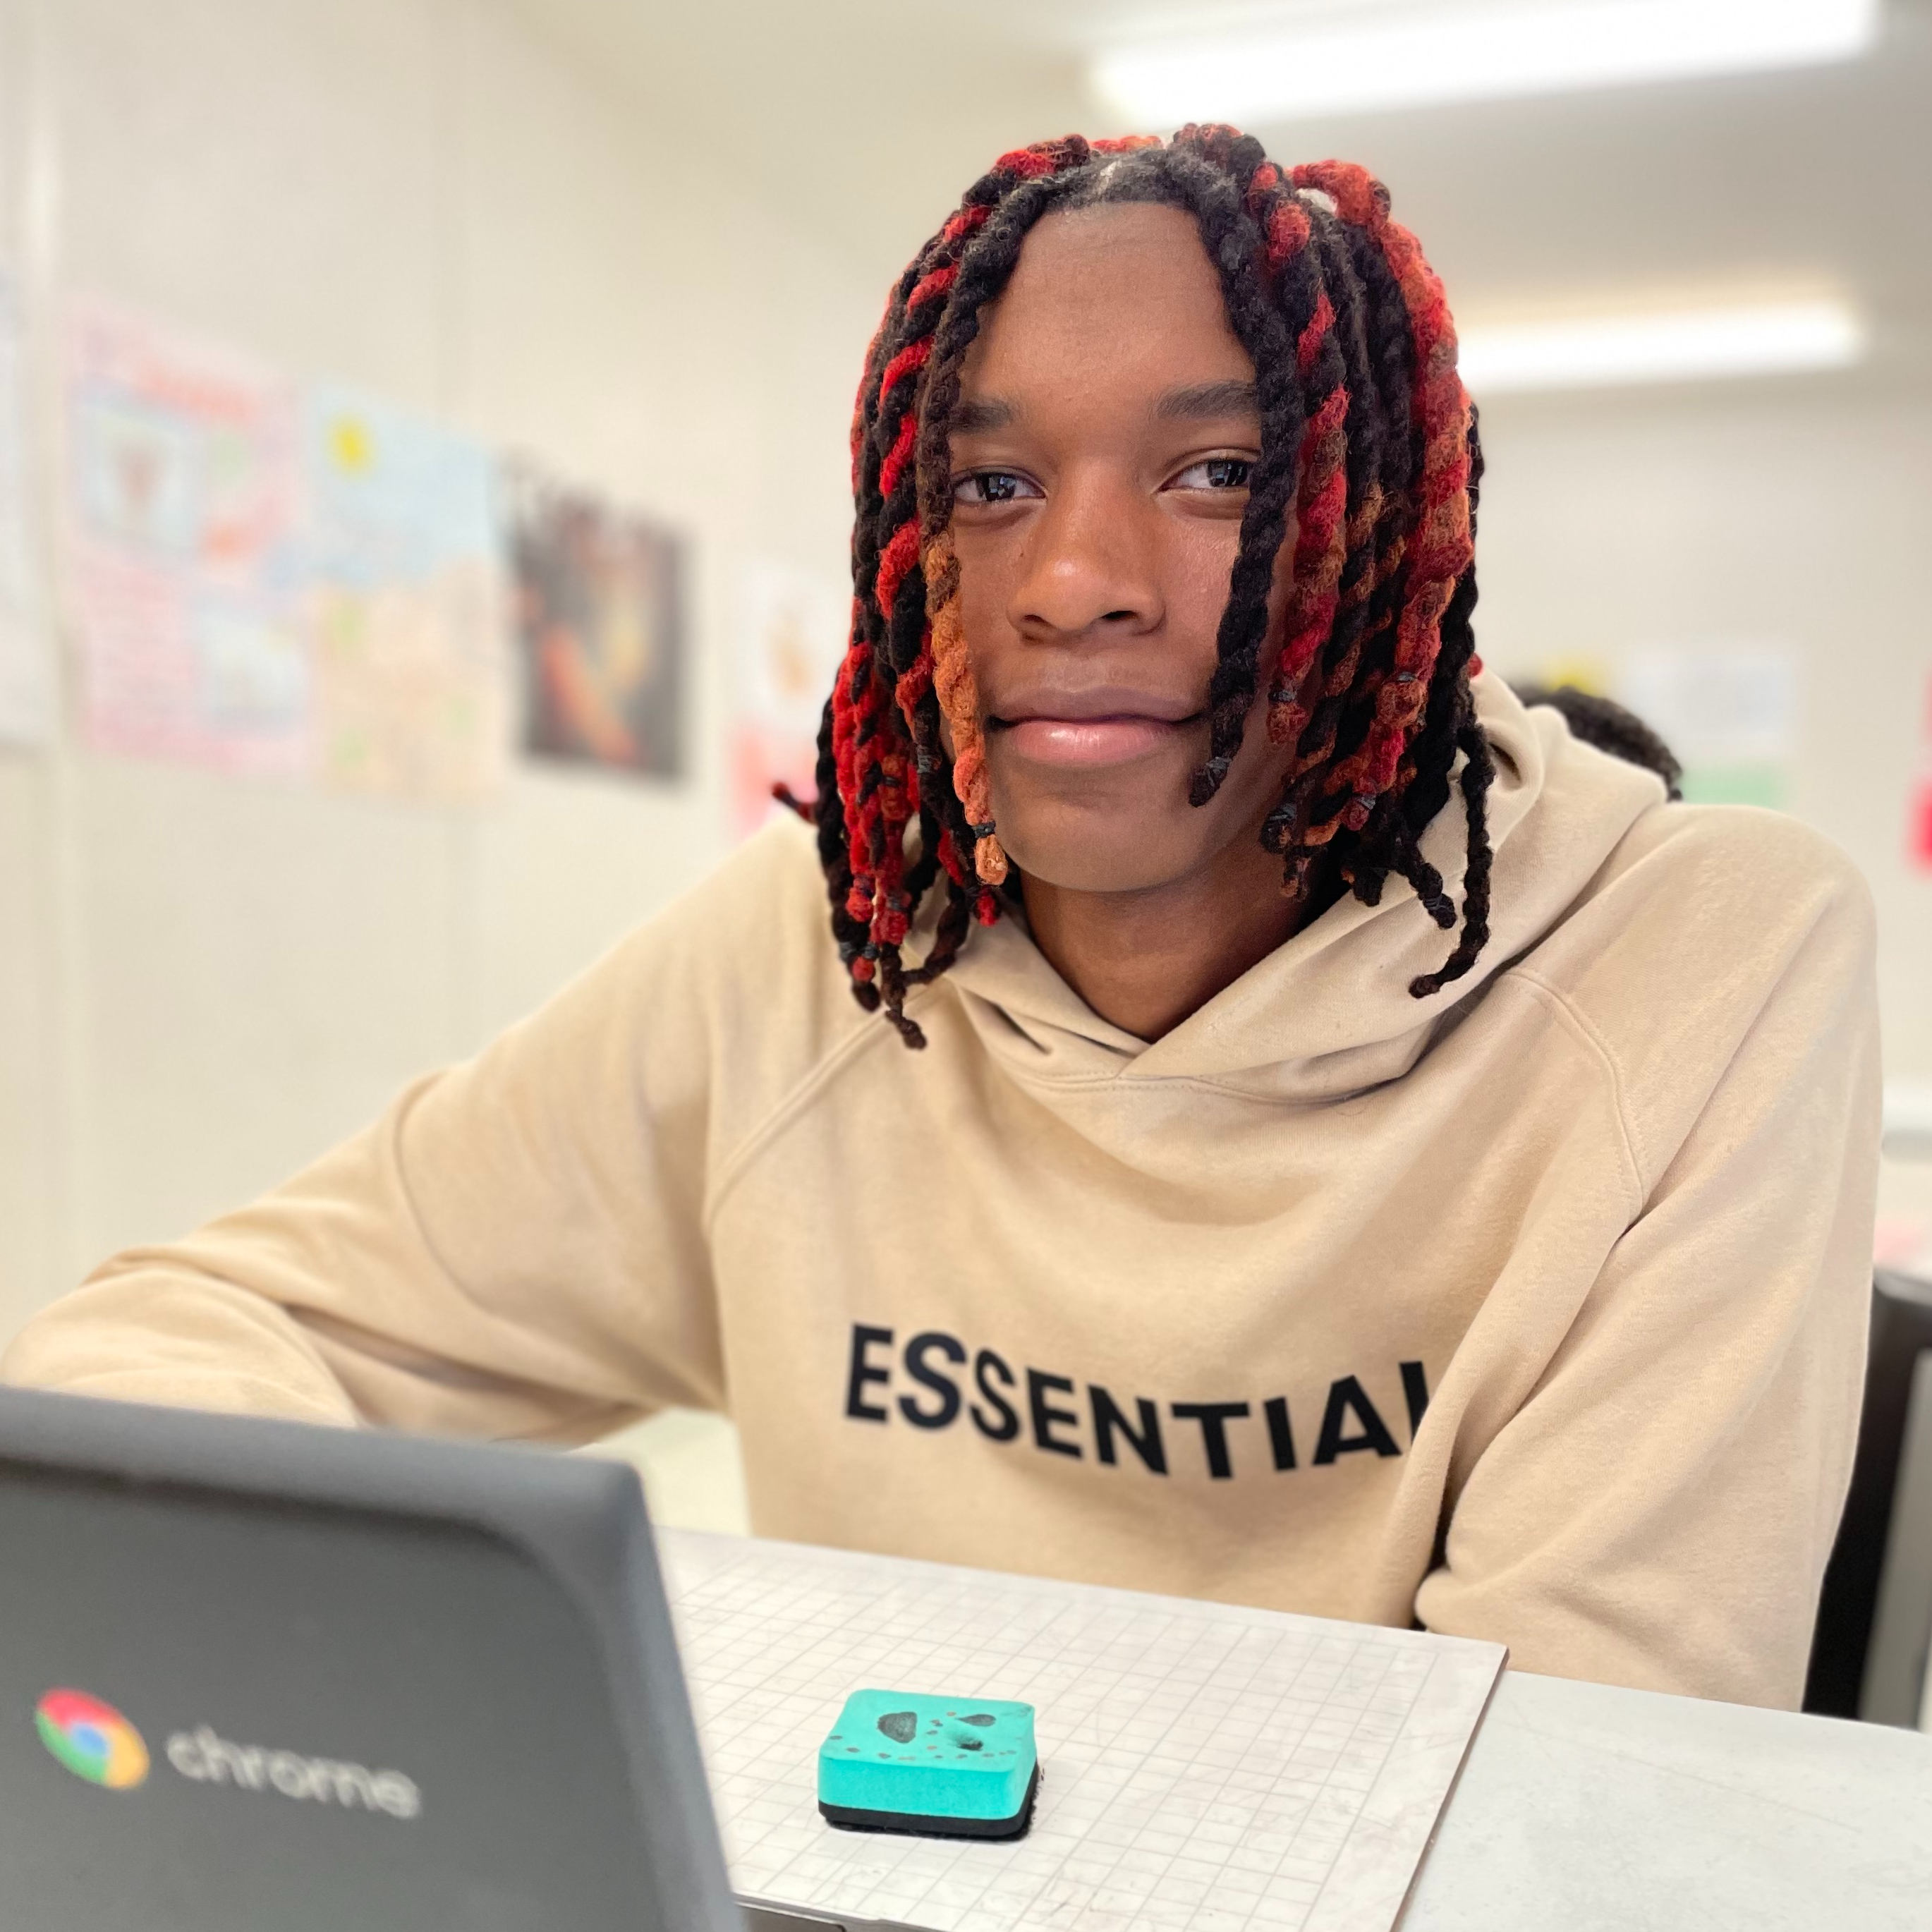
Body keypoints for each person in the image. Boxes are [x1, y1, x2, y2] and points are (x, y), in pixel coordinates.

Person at [2, 129, 1878, 1710]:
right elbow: (191, 1336)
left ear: (1392, 528)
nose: (1071, 581)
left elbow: (1576, 1816)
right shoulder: (830, 953)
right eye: (991, 483)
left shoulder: (1700, 957)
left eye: (1215, 472)